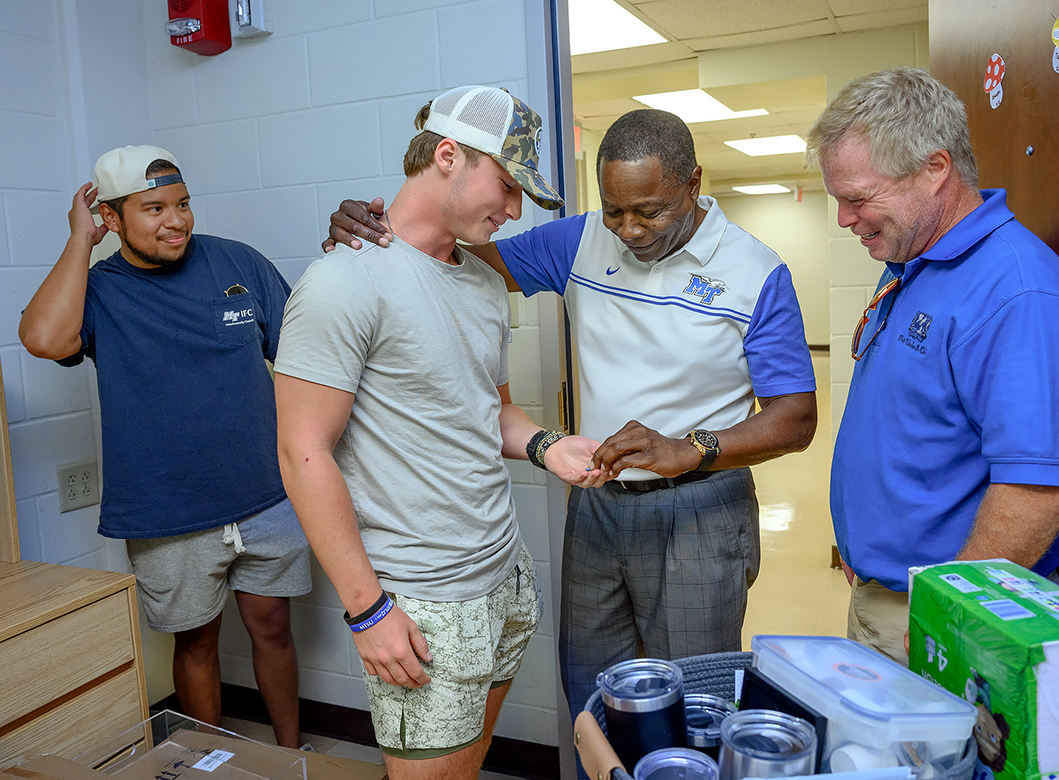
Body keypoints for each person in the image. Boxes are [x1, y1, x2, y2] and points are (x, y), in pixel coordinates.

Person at [324, 108, 819, 721]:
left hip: (700, 512)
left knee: (694, 706)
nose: (631, 230)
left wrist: (689, 448)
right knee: (593, 691)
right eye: (617, 210)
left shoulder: (756, 271)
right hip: (599, 506)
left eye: (650, 211)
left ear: (693, 185)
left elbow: (796, 417)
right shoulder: (583, 239)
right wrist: (376, 234)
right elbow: (454, 260)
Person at [274, 86, 604, 780]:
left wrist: (549, 446)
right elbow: (303, 454)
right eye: (508, 185)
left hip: (503, 574)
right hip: (422, 597)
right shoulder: (343, 281)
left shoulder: (482, 282)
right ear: (448, 155)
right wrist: (368, 612)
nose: (513, 211)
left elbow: (491, 411)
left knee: (465, 767)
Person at [805, 67, 1059, 665]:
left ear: (935, 169)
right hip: (887, 598)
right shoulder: (914, 262)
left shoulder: (1017, 293)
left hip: (946, 617)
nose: (843, 219)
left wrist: (947, 619)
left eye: (858, 198)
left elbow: (1036, 489)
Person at [19, 145, 310, 745]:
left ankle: (290, 754)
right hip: (166, 509)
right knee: (197, 642)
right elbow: (44, 339)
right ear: (113, 219)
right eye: (153, 209)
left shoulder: (238, 264)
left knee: (272, 626)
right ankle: (209, 761)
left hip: (265, 493)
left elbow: (306, 358)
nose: (175, 220)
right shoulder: (98, 290)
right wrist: (81, 240)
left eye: (182, 204)